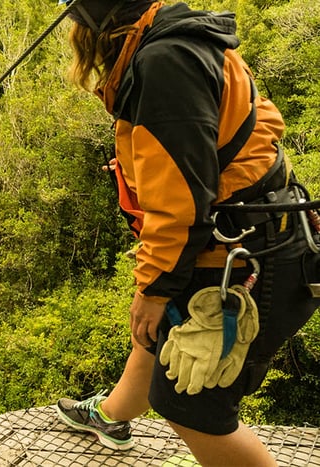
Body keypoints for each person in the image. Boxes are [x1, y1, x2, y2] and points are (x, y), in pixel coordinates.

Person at [53, 0, 320, 465]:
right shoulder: (180, 37)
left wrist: (153, 288)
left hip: (249, 257)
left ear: (97, 21)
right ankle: (112, 415)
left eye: (74, 19)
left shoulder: (163, 62)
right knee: (155, 331)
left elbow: (181, 204)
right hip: (261, 234)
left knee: (187, 404)